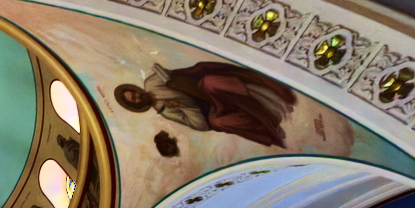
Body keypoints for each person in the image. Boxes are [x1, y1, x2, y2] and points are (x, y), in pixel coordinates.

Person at [114, 62, 296, 147]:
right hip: (213, 109)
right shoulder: (165, 111)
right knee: (220, 123)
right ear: (138, 105)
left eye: (135, 92)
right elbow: (199, 125)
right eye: (135, 99)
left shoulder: (152, 82)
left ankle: (263, 102)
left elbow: (182, 73)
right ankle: (268, 124)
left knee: (210, 82)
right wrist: (180, 106)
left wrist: (177, 80)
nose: (138, 95)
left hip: (203, 88)